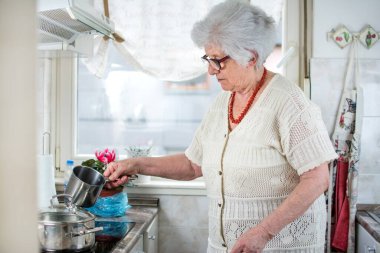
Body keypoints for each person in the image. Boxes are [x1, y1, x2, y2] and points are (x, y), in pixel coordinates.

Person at [104, 1, 338, 252]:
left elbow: (317, 178)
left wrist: (263, 233)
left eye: (218, 61)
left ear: (251, 56)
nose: (210, 70)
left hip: (277, 247)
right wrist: (135, 164)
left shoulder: (289, 103)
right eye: (208, 59)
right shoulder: (222, 103)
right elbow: (193, 164)